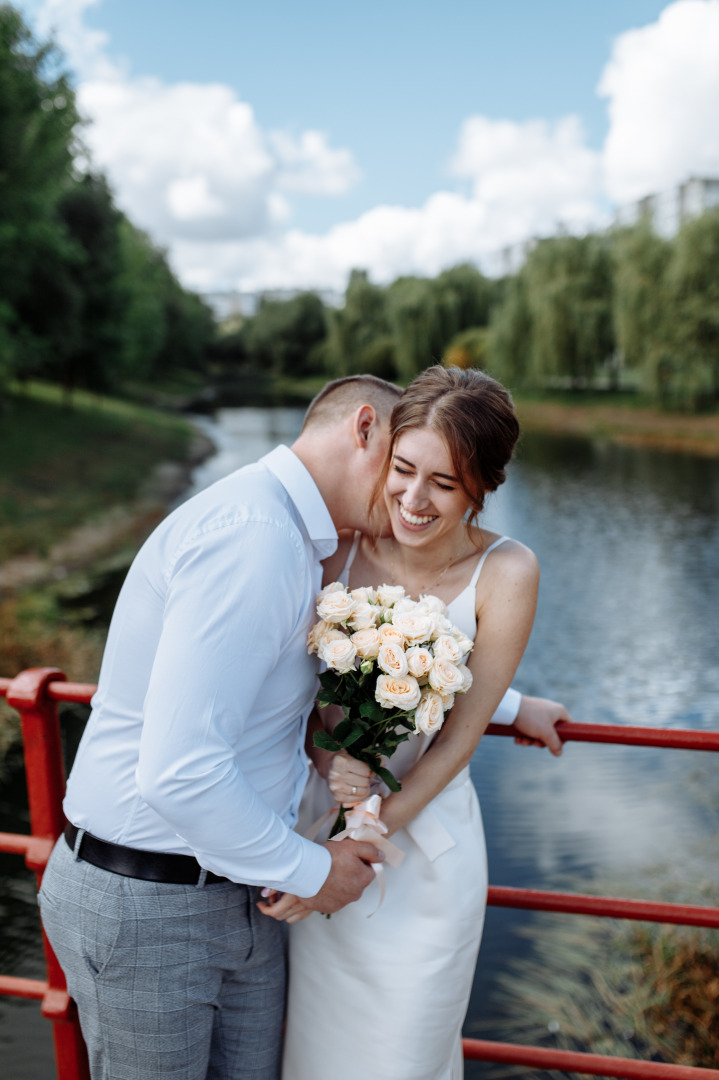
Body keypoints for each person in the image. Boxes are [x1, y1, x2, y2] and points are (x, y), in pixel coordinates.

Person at [37, 374, 403, 1080]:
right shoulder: (254, 534)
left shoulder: (296, 538)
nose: (408, 498)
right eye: (403, 465)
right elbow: (179, 771)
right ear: (363, 428)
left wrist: (502, 705)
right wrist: (314, 870)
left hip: (241, 891)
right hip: (148, 906)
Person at [265, 366, 567, 1080]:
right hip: (318, 834)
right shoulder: (338, 545)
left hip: (423, 855)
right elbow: (295, 696)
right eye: (403, 469)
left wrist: (369, 828)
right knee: (310, 1054)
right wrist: (325, 770)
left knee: (404, 1058)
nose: (412, 498)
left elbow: (457, 736)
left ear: (481, 489)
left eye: (445, 483)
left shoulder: (507, 570)